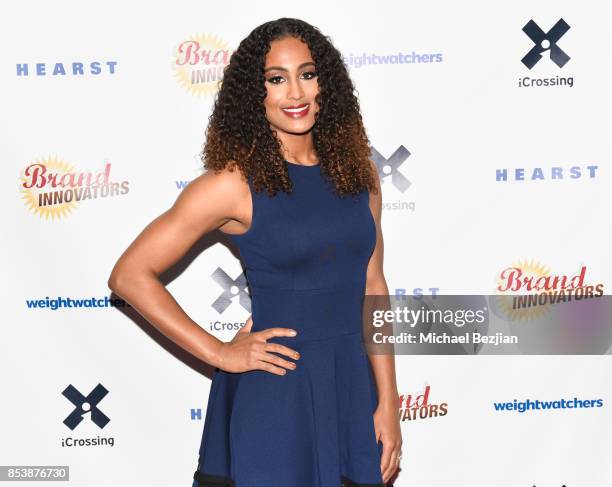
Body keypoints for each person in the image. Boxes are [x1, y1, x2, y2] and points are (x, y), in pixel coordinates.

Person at [108, 17, 402, 487]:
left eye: (307, 74)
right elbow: (129, 275)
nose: (295, 93)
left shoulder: (359, 172)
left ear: (326, 81)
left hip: (350, 384)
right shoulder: (233, 184)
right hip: (276, 392)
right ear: (254, 93)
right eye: (276, 79)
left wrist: (388, 400)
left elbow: (374, 286)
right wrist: (220, 352)